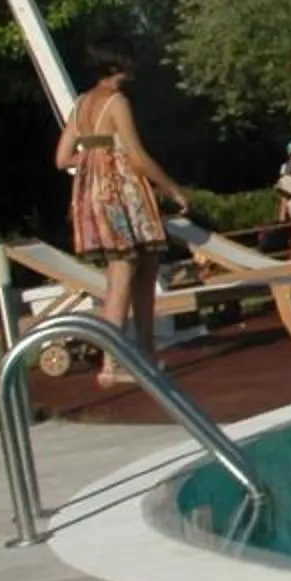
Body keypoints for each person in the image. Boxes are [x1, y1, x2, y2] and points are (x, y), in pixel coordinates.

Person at [52, 41, 191, 388]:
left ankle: (144, 354)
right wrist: (172, 188)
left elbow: (61, 158)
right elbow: (138, 156)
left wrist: (93, 160)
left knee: (143, 269)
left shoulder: (81, 104)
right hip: (123, 195)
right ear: (117, 70)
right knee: (123, 273)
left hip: (94, 196)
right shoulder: (117, 103)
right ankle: (113, 363)